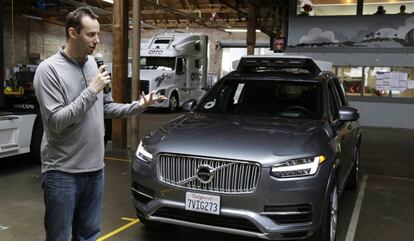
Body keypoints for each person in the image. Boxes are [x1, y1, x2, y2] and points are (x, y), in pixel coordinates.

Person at [33, 6, 166, 241]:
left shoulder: (93, 65)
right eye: (91, 34)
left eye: (98, 34)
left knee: (89, 235)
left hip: (95, 170)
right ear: (73, 33)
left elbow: (105, 107)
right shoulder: (49, 70)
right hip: (63, 172)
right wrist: (91, 90)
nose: (97, 40)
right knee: (59, 237)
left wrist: (139, 106)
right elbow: (55, 122)